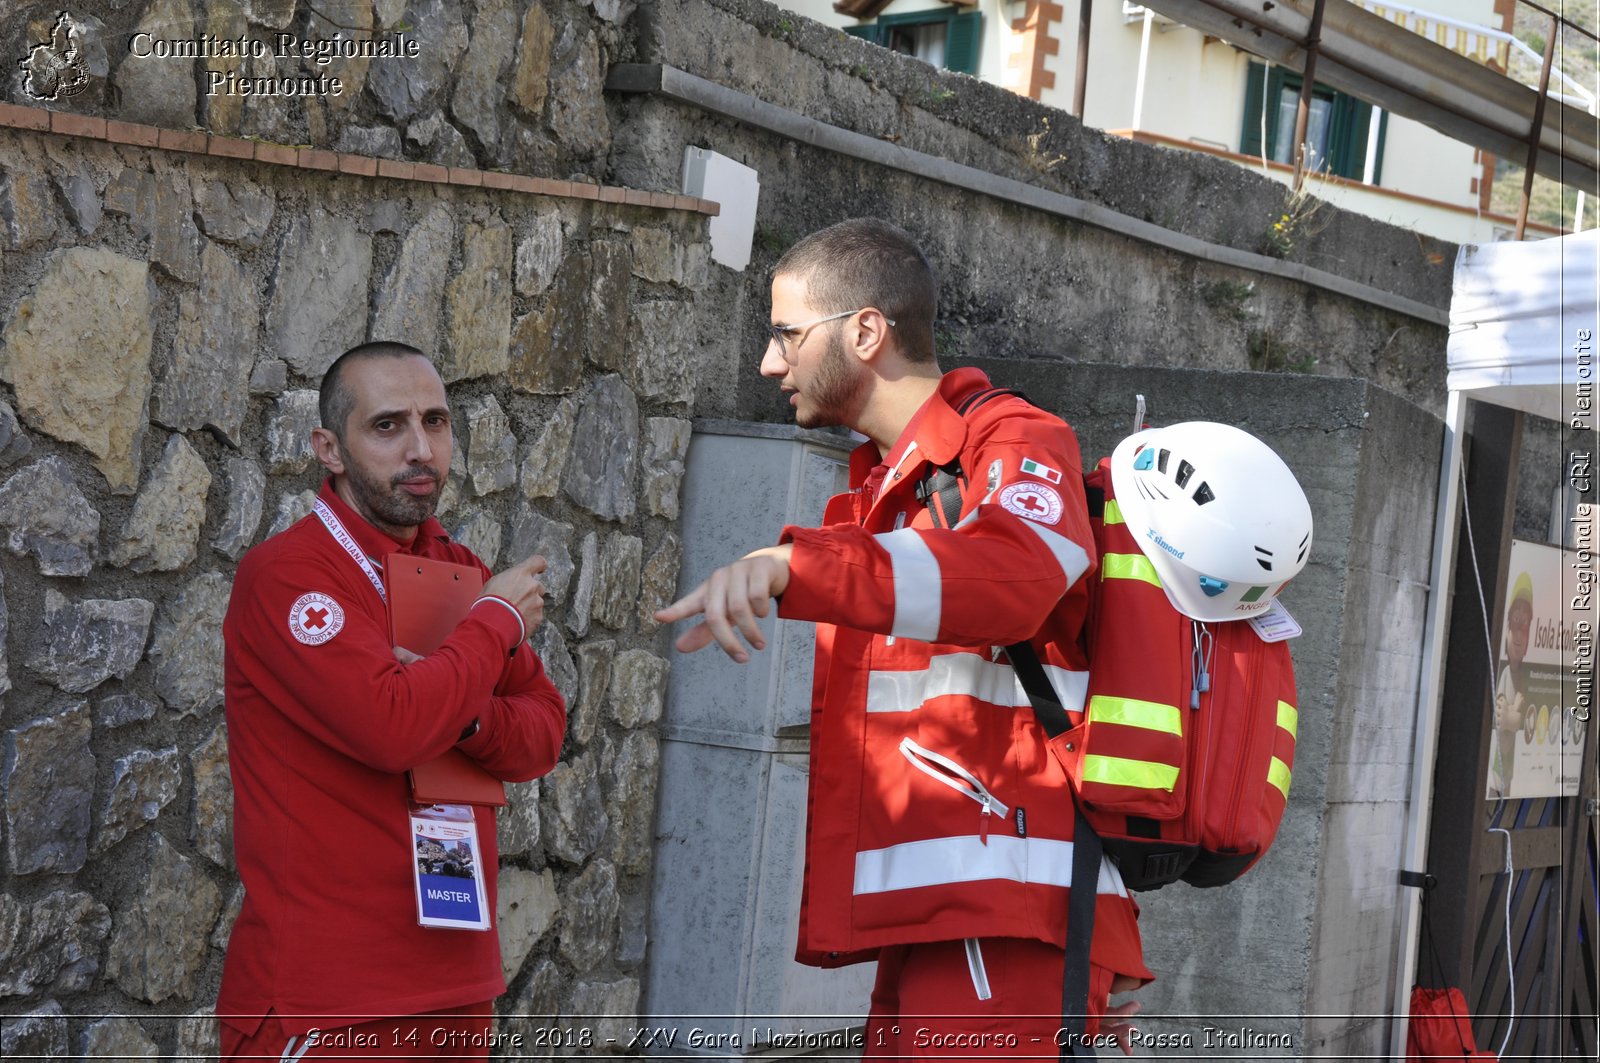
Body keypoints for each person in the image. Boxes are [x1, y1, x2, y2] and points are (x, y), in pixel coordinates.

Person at [657, 219, 1149, 1056]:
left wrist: (796, 565)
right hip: (948, 919)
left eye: (785, 334)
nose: (769, 363)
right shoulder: (882, 488)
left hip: (1007, 922)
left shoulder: (1016, 439)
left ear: (866, 330)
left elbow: (1023, 575)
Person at [218, 342, 567, 1059]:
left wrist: (461, 709)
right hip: (330, 996)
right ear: (329, 447)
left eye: (435, 422)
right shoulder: (287, 575)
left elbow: (541, 732)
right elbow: (391, 726)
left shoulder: (458, 569)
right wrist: (494, 626)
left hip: (455, 981)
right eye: (387, 426)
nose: (420, 448)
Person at [1489, 573, 1533, 797]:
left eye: (1524, 625)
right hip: (1496, 767)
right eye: (1515, 622)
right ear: (1506, 628)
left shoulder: (1523, 678)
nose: (1518, 634)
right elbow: (1500, 717)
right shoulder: (1504, 673)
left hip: (1511, 770)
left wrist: (1516, 716)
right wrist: (1512, 718)